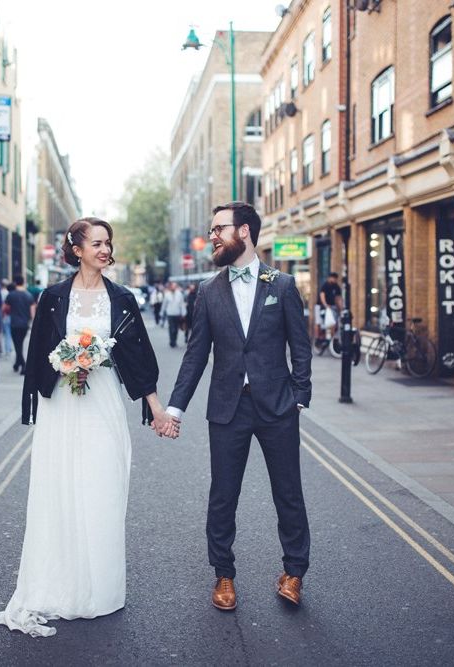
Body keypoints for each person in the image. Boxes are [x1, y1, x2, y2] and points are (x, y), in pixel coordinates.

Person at [0, 217, 177, 638]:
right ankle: (59, 582)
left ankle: (101, 588)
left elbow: (140, 356)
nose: (105, 250)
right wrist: (64, 364)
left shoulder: (123, 298)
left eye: (108, 242)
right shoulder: (53, 297)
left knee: (103, 487)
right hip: (63, 409)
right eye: (97, 243)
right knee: (60, 488)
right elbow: (38, 352)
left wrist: (157, 410)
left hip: (104, 404)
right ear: (77, 249)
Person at [163, 201, 312, 610]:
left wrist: (300, 396)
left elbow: (300, 346)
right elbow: (195, 355)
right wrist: (175, 408)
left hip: (278, 407)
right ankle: (223, 575)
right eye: (212, 230)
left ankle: (294, 572)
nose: (213, 236)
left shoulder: (280, 285)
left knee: (289, 493)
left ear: (244, 231)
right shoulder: (209, 290)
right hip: (228, 409)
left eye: (219, 229)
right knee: (223, 494)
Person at [5, 274, 35, 374]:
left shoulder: (11, 295)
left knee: (17, 345)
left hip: (14, 324)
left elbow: (5, 309)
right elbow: (32, 313)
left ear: (15, 282)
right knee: (19, 344)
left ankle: (23, 365)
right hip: (24, 325)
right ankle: (17, 364)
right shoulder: (29, 295)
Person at [318, 272, 342, 340]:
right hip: (323, 307)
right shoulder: (325, 285)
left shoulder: (336, 286)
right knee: (320, 323)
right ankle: (319, 338)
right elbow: (322, 296)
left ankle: (332, 339)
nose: (335, 280)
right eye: (334, 279)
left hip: (332, 306)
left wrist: (340, 308)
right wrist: (325, 305)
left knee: (334, 323)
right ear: (330, 278)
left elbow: (338, 298)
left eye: (336, 279)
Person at [162, 281, 186, 347]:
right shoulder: (167, 294)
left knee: (176, 329)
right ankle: (171, 341)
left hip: (177, 314)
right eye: (172, 286)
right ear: (170, 287)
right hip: (170, 314)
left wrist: (183, 313)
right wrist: (162, 312)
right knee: (171, 328)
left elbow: (182, 304)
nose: (173, 287)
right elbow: (164, 304)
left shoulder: (179, 294)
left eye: (174, 286)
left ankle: (174, 341)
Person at [0, 280, 13, 359]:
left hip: (3, 315)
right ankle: (9, 348)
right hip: (9, 315)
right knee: (8, 333)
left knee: (4, 333)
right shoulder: (8, 293)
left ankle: (5, 349)